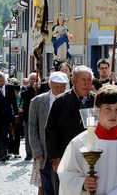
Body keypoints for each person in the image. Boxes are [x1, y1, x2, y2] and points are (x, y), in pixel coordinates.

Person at [58, 85, 117, 195]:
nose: (113, 114)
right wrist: (82, 184)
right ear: (96, 109)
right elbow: (67, 174)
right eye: (108, 108)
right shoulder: (79, 142)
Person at [45, 66, 95, 194]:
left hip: (90, 158)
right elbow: (51, 132)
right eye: (82, 80)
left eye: (89, 80)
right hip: (65, 158)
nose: (86, 84)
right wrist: (55, 158)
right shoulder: (60, 102)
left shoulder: (97, 101)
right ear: (73, 81)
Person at [29, 71, 68, 195]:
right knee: (47, 186)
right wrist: (36, 150)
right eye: (57, 86)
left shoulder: (69, 100)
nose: (60, 89)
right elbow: (32, 128)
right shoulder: (37, 102)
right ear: (50, 84)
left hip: (64, 152)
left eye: (62, 87)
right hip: (45, 153)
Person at [21, 72, 47, 160]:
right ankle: (29, 153)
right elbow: (23, 96)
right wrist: (32, 89)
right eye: (31, 79)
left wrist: (37, 89)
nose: (33, 81)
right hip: (29, 116)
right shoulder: (25, 89)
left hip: (41, 115)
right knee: (29, 134)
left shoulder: (43, 89)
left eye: (34, 79)